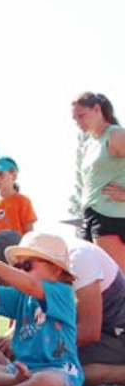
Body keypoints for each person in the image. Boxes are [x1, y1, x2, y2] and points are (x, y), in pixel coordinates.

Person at [0, 232, 83, 386]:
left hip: (59, 371)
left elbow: (31, 284)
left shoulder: (62, 292)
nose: (20, 272)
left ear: (55, 269)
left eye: (26, 266)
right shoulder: (23, 296)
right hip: (22, 369)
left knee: (44, 384)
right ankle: (15, 383)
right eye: (18, 267)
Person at [0, 156, 37, 335]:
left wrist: (27, 262)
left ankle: (14, 340)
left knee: (18, 300)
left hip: (14, 259)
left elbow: (29, 234)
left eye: (0, 175)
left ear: (13, 175)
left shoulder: (22, 202)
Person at [71, 92, 125, 273]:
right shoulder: (88, 145)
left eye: (81, 116)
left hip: (112, 218)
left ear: (97, 110)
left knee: (117, 283)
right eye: (74, 119)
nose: (78, 122)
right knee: (95, 284)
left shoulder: (116, 136)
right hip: (89, 218)